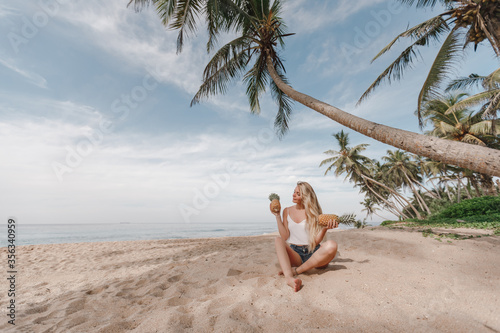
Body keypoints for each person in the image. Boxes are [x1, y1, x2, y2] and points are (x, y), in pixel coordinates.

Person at [271, 181, 338, 292]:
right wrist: (277, 216)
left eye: (298, 193)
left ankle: (296, 271)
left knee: (332, 245)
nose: (293, 194)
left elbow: (315, 242)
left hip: (313, 253)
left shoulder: (315, 213)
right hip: (296, 254)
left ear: (306, 197)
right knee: (277, 240)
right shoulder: (286, 211)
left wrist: (324, 229)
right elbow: (285, 236)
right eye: (294, 192)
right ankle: (289, 278)